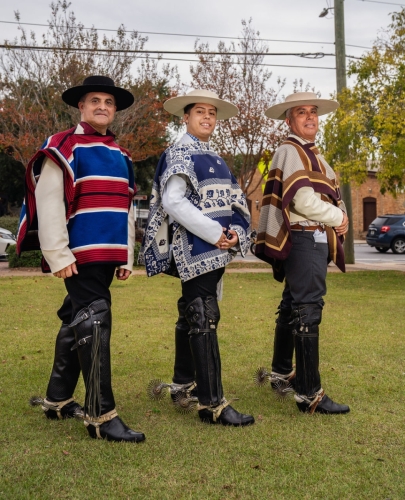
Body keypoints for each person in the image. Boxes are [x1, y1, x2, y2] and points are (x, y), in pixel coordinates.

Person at [17, 76, 145, 442]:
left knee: (77, 316)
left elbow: (126, 209)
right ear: (81, 107)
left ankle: (57, 400)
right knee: (95, 320)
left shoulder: (122, 154)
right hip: (77, 255)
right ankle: (101, 415)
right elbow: (49, 200)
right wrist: (57, 253)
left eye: (108, 101)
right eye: (94, 101)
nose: (102, 106)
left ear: (115, 109)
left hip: (108, 254)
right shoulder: (63, 146)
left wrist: (126, 255)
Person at [140, 89, 255, 426]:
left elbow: (237, 200)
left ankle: (183, 384)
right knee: (202, 314)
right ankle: (212, 404)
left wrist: (234, 231)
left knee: (191, 313)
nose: (207, 117)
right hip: (196, 247)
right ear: (185, 118)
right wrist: (213, 233)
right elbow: (173, 201)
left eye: (212, 113)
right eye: (200, 112)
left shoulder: (216, 158)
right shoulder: (180, 153)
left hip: (217, 248)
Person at [255, 92, 350, 415]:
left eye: (313, 112)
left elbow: (330, 194)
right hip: (304, 236)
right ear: (289, 119)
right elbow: (303, 202)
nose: (310, 117)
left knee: (292, 305)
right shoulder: (291, 150)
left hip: (313, 237)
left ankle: (282, 373)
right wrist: (339, 218)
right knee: (308, 309)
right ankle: (309, 393)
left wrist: (339, 216)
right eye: (301, 112)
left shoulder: (313, 154)